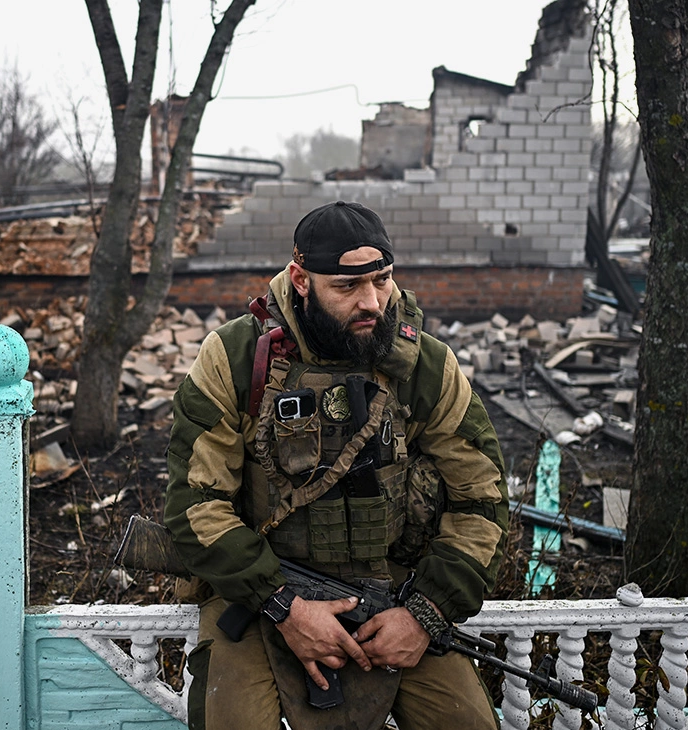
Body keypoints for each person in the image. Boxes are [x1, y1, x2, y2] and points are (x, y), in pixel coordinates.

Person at [163, 200, 507, 730]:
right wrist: (284, 607)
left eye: (383, 279)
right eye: (347, 287)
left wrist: (426, 613)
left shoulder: (425, 365)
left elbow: (480, 497)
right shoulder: (236, 357)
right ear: (301, 279)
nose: (371, 301)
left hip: (391, 597)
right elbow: (195, 500)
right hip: (261, 591)